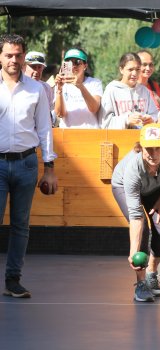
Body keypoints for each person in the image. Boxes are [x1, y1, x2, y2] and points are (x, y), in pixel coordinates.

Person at [0, 34, 58, 298]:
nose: (14, 59)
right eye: (8, 55)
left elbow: (45, 128)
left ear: (24, 57)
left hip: (26, 163)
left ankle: (13, 280)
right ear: (0, 56)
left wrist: (49, 167)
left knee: (21, 224)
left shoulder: (37, 90)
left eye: (18, 55)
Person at [111, 123, 160, 302]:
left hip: (158, 188)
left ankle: (152, 272)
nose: (153, 154)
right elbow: (136, 218)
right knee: (142, 231)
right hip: (123, 186)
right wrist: (133, 251)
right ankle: (141, 284)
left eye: (158, 148)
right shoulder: (133, 169)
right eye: (148, 149)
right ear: (141, 146)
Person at [99, 52, 158, 129]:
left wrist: (151, 119)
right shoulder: (112, 90)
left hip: (141, 139)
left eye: (137, 69)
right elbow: (105, 122)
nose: (134, 73)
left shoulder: (144, 91)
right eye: (130, 69)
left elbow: (155, 115)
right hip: (119, 139)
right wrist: (126, 120)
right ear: (121, 70)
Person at [54, 47, 103, 128]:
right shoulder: (62, 84)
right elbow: (60, 114)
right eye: (69, 62)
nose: (73, 66)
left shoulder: (95, 83)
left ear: (85, 66)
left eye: (77, 62)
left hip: (91, 135)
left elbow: (94, 108)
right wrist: (59, 90)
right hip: (68, 136)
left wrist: (80, 86)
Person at [24, 51, 55, 126]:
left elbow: (50, 111)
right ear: (24, 66)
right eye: (33, 67)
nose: (37, 71)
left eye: (39, 67)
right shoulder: (17, 86)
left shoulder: (46, 88)